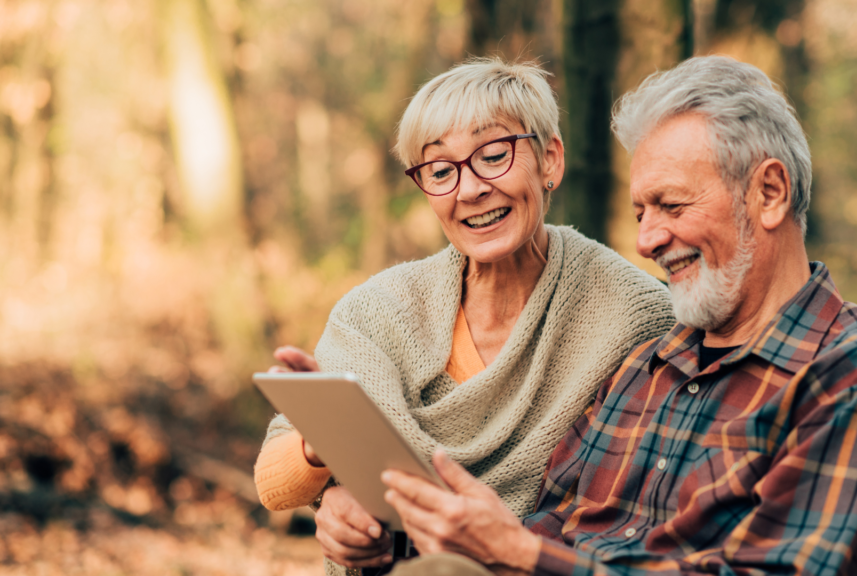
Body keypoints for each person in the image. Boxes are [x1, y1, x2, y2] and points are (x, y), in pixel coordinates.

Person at [378, 55, 857, 576]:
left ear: (769, 193)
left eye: (672, 205)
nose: (647, 240)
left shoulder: (854, 371)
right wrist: (396, 536)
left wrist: (521, 554)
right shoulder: (650, 363)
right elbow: (544, 525)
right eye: (641, 212)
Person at [252, 57, 676, 575]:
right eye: (440, 171)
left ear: (550, 161)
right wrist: (326, 462)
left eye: (494, 155)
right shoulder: (379, 310)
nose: (470, 189)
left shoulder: (635, 313)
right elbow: (274, 483)